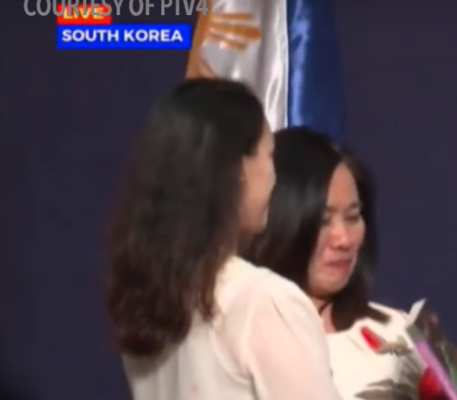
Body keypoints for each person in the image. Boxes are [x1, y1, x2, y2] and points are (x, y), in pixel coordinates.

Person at [105, 79, 340, 400]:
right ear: (238, 168)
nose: (274, 176)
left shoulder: (148, 300)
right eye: (269, 155)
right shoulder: (264, 302)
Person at [241, 127, 442, 400]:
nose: (344, 240)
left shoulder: (402, 336)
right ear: (280, 222)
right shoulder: (229, 343)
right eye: (323, 221)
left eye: (353, 217)